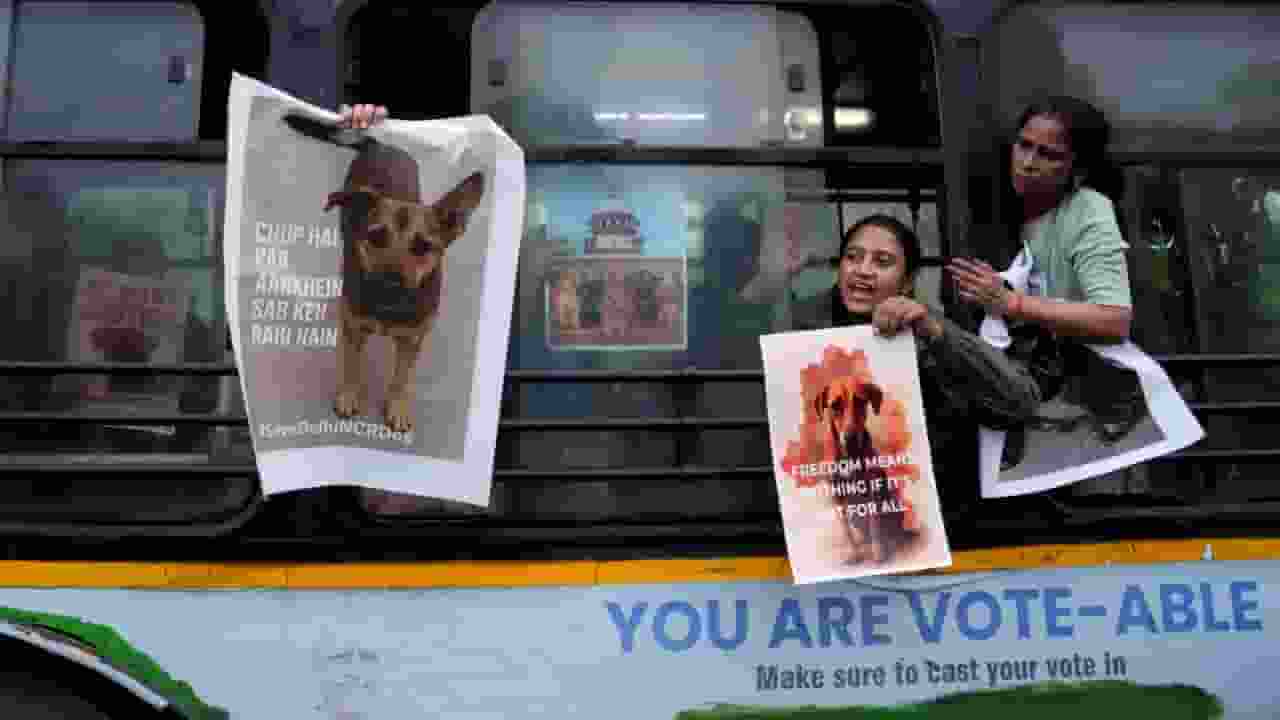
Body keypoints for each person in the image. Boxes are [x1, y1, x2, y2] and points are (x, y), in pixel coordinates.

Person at [791, 214, 1041, 542]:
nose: (862, 270)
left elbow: (1020, 401)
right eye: (852, 257)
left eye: (882, 261)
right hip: (830, 535)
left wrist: (935, 334)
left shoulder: (932, 333)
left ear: (908, 281)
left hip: (929, 532)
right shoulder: (803, 333)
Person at [948, 96, 1143, 498]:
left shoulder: (1087, 210)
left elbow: (1114, 319)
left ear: (1077, 168)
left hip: (1084, 417)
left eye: (1048, 154)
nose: (1028, 162)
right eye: (1023, 146)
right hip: (1018, 404)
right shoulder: (1002, 209)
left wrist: (1014, 305)